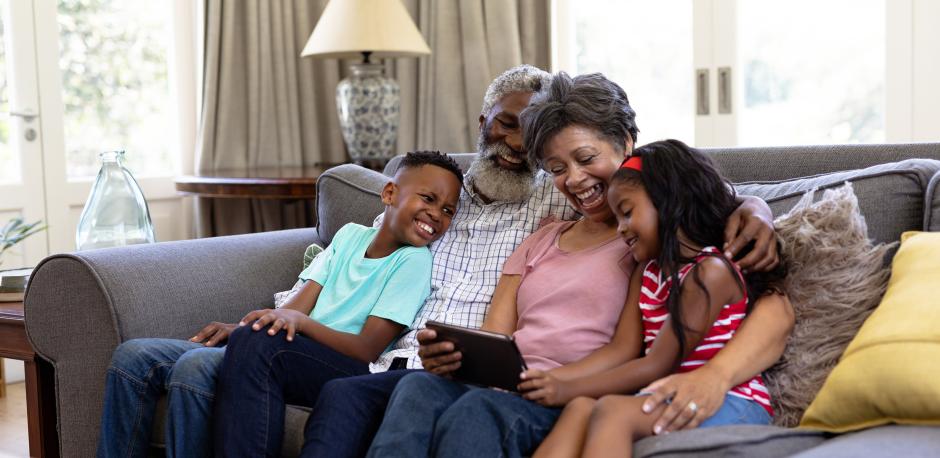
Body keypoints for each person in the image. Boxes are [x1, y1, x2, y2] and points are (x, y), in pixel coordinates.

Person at [313, 70, 792, 458]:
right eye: (557, 170)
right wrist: (461, 360)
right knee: (416, 392)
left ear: (627, 144)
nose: (575, 180)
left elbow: (708, 203)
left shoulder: (652, 237)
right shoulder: (549, 226)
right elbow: (498, 336)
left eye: (585, 159)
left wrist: (757, 207)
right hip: (514, 380)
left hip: (567, 391)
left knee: (478, 411)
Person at [96, 151, 462, 458]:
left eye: (448, 210)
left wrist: (292, 326)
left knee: (201, 364)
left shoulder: (413, 262)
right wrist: (242, 329)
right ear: (389, 194)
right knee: (133, 357)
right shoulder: (350, 235)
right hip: (288, 347)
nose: (437, 214)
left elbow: (366, 349)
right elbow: (299, 306)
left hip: (339, 363)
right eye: (428, 199)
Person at [531, 140, 787, 458]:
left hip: (734, 401)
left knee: (612, 411)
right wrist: (553, 384)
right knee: (581, 407)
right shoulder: (648, 272)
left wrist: (563, 389)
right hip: (666, 393)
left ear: (668, 202)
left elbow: (657, 364)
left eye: (627, 213)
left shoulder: (710, 272)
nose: (622, 229)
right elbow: (623, 348)